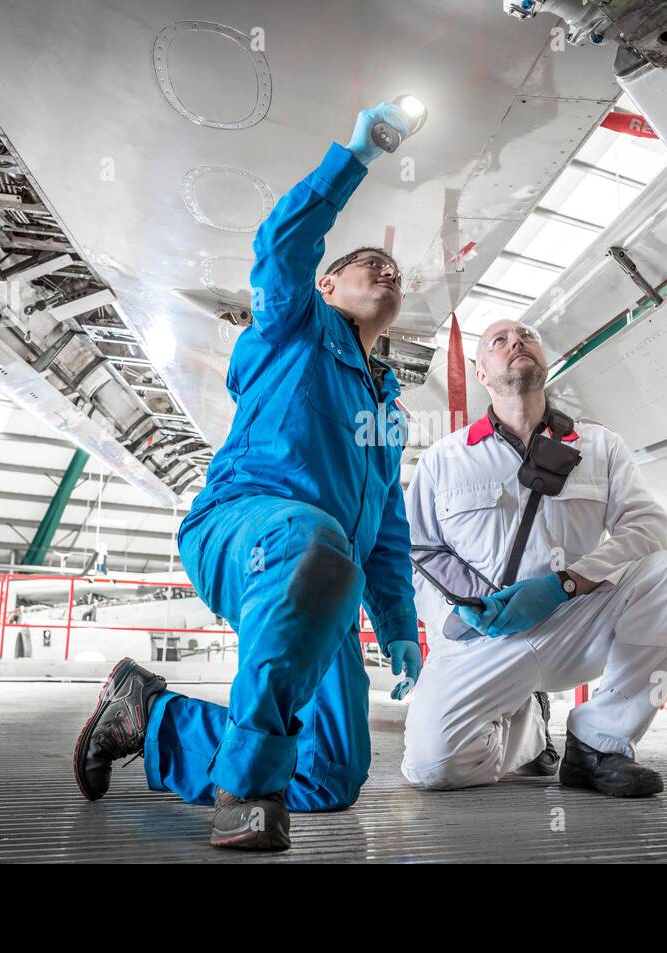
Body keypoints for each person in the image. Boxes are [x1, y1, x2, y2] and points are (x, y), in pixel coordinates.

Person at [72, 103, 422, 851]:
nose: (385, 271)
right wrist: (355, 159)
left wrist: (398, 627)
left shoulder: (389, 410)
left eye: (393, 272)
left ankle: (145, 716)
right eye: (367, 265)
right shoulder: (290, 325)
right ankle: (248, 792)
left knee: (332, 774)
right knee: (320, 545)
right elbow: (280, 245)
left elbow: (388, 530)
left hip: (328, 581)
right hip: (243, 526)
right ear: (324, 288)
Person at [401, 318, 667, 796]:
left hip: (573, 619)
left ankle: (598, 744)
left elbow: (650, 527)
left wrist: (565, 584)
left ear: (546, 361)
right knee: (434, 768)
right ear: (482, 375)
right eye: (498, 341)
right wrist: (467, 613)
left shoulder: (598, 444)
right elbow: (420, 548)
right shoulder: (446, 456)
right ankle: (527, 727)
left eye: (526, 336)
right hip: (484, 637)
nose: (515, 342)